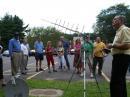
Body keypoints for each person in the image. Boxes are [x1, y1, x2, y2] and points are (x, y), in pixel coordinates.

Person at [107, 15, 130, 97]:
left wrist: (113, 45)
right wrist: (110, 49)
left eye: (115, 19)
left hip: (122, 58)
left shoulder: (124, 29)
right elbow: (119, 46)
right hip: (118, 57)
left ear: (121, 21)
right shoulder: (118, 31)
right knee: (120, 81)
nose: (113, 21)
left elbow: (127, 45)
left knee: (115, 82)